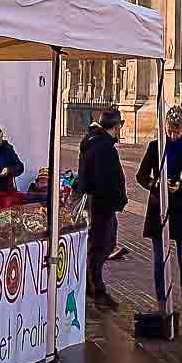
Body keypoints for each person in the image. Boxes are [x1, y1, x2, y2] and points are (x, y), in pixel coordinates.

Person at [137, 106, 182, 325]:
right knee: (159, 259)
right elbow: (141, 176)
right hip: (159, 207)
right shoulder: (156, 146)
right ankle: (162, 303)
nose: (174, 136)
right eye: (170, 132)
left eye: (178, 132)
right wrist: (157, 184)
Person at [75, 108, 127, 309]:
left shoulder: (95, 142)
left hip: (101, 203)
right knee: (101, 246)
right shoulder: (102, 147)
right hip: (102, 204)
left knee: (104, 243)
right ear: (117, 126)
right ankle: (96, 288)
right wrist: (116, 198)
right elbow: (104, 178)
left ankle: (92, 284)